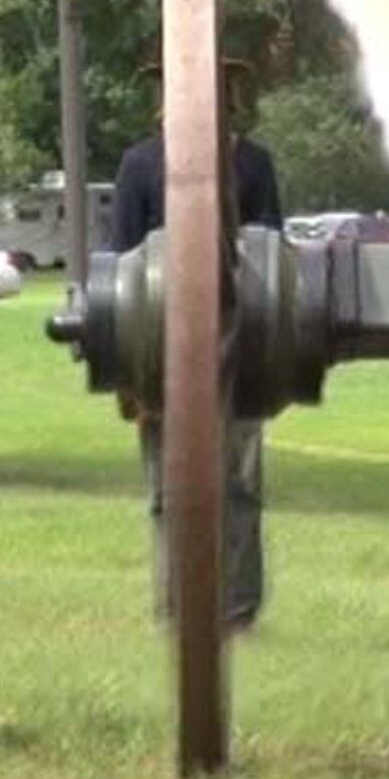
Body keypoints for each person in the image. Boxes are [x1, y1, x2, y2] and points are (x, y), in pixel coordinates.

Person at [111, 64, 286, 628]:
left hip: (243, 345)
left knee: (239, 489)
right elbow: (122, 270)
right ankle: (174, 611)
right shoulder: (140, 165)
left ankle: (237, 610)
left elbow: (272, 258)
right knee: (167, 491)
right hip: (157, 350)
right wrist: (126, 376)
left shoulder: (253, 164)